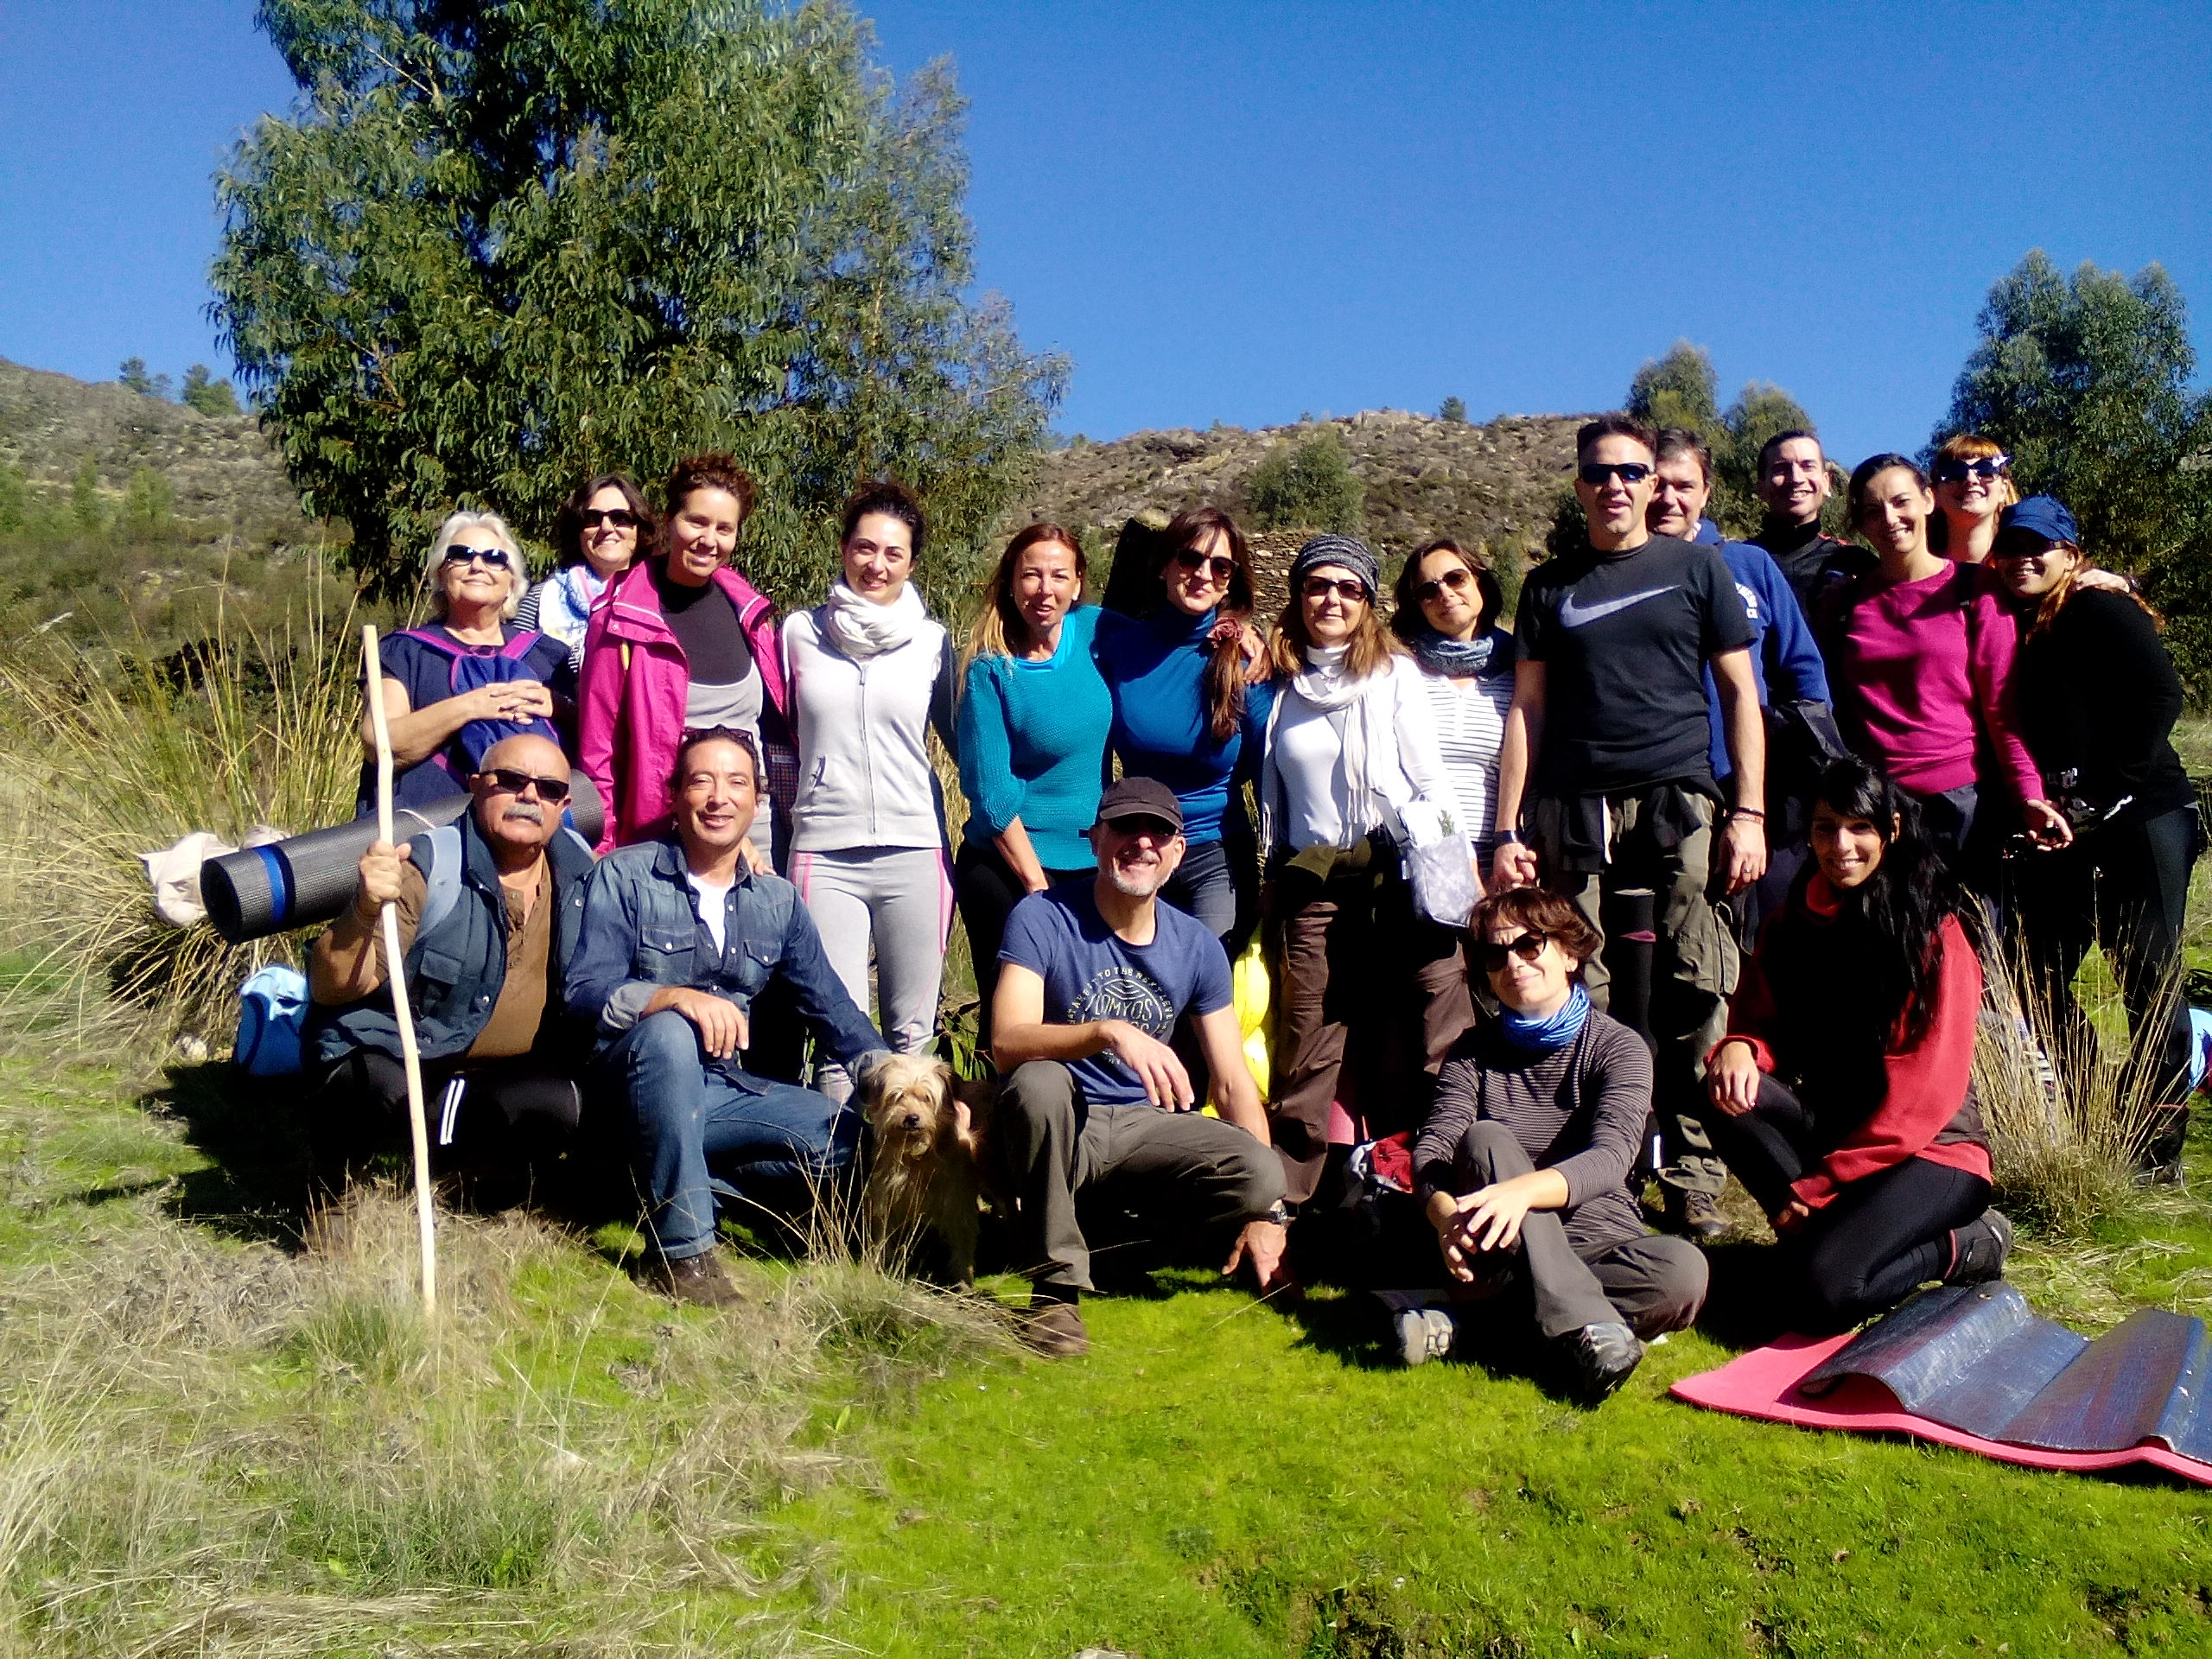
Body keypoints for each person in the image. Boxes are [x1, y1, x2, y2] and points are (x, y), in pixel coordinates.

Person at [1491, 414, 1767, 1241]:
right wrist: (1506, 830)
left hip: (1679, 797)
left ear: (1653, 484)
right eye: (1599, 472)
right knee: (1579, 988)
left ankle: (1695, 1177)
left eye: (1631, 472)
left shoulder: (1699, 569)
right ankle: (1590, 1175)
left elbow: (1741, 695)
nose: (1615, 485)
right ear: (1579, 486)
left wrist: (1748, 812)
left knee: (1695, 983)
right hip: (1572, 806)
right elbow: (1526, 709)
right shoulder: (1549, 586)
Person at [564, 728, 887, 1306]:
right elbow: (585, 993)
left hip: (722, 1091)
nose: (719, 797)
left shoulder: (777, 901)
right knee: (669, 1034)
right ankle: (681, 1256)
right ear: (675, 795)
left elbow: (833, 1010)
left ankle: (683, 1184)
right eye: (702, 781)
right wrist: (670, 998)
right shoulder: (625, 876)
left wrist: (897, 1078)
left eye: (737, 782)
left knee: (853, 1144)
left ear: (757, 800)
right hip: (629, 1088)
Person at [1698, 757, 2012, 1331]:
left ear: (1891, 830)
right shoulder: (1792, 922)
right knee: (1723, 1093)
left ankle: (1967, 1245)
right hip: (1839, 1133)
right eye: (1826, 828)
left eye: (1859, 827)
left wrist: (1823, 1185)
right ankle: (1815, 1242)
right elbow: (1761, 1020)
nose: (1840, 846)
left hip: (1931, 1150)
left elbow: (1924, 1095)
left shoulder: (1935, 930)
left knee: (1826, 1295)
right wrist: (1741, 1045)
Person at [989, 777, 1289, 1357]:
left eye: (1160, 832)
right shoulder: (1042, 916)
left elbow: (1232, 1082)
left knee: (1261, 1173)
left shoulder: (1196, 944)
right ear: (1096, 839)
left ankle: (1116, 1247)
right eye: (1126, 827)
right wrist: (1108, 1031)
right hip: (1061, 1121)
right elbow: (1007, 1041)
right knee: (1038, 1083)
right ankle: (1054, 1294)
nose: (1143, 842)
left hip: (1140, 1127)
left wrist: (1270, 1213)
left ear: (1178, 852)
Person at [1400, 887, 1708, 1400]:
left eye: (1529, 945)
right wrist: (1444, 1216)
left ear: (1569, 954)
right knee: (1485, 1137)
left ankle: (1471, 1329)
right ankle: (1588, 1331)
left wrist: (1521, 1190)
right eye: (1496, 954)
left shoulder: (1618, 1046)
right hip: (1505, 1246)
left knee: (1683, 1272)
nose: (1513, 963)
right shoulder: (1471, 1052)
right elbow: (1434, 1150)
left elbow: (1611, 1157)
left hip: (1599, 1238)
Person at [1992, 496, 2202, 1175]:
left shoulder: (2098, 608)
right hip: (2065, 828)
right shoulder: (2009, 619)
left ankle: (2154, 1148)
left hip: (2144, 819)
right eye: (2011, 546)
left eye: (2039, 547)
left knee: (2148, 979)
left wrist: (2108, 790)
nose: (2023, 559)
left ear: (2071, 555)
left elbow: (2161, 696)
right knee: (2035, 971)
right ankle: (2094, 1114)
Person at [1259, 533, 1459, 1210]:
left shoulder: (1394, 675)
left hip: (1394, 880)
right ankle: (1293, 1201)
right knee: (1307, 1039)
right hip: (1312, 886)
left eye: (1349, 588)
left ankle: (1426, 1183)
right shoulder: (1280, 687)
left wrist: (1451, 865)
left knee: (1417, 1031)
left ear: (1368, 603)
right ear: (1298, 597)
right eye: (1318, 585)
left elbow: (1431, 783)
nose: (1332, 599)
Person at [307, 733, 597, 1193]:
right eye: (511, 780)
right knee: (378, 1087)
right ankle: (336, 1190)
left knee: (557, 1106)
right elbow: (334, 988)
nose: (529, 796)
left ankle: (455, 1180)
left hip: (494, 1078)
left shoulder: (582, 874)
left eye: (549, 789)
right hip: (404, 1058)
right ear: (477, 786)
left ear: (563, 807)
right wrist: (364, 908)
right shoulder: (426, 866)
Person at [781, 482, 958, 1101]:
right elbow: (771, 733)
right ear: (843, 549)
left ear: (911, 563)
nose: (876, 564)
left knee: (913, 1040)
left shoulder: (933, 642)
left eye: (893, 553)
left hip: (915, 850)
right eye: (864, 547)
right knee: (840, 1041)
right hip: (822, 852)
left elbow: (967, 740)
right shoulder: (798, 633)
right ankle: (839, 1165)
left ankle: (915, 1168)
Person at [1819, 454, 2069, 874]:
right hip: (1874, 810)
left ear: (1928, 501)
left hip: (1961, 807)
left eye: (1901, 501)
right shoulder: (1844, 603)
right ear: (1860, 524)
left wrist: (2028, 794)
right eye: (1873, 511)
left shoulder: (1976, 589)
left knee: (1968, 917)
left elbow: (2002, 710)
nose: (1890, 518)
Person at [1649, 428, 1834, 939]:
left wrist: (1797, 770)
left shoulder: (1748, 565)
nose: (1669, 499)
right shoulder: (1618, 571)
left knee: (1762, 937)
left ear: (1706, 492)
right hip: (1657, 787)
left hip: (1748, 788)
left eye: (1684, 485)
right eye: (1658, 484)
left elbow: (1804, 672)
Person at [576, 454, 794, 861]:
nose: (709, 540)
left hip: (755, 834)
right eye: (697, 522)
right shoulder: (620, 620)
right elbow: (597, 750)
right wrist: (602, 847)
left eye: (724, 529)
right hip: (662, 835)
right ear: (669, 519)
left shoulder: (752, 616)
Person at [955, 524, 1115, 1048]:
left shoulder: (1096, 631)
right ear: (1011, 582)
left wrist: (1235, 629)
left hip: (1090, 861)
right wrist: (1038, 891)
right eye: (1031, 576)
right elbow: (992, 795)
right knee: (1016, 1023)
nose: (1045, 590)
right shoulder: (991, 670)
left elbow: (1169, 640)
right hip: (1009, 867)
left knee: (1085, 1007)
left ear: (1078, 583)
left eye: (1058, 576)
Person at [1092, 505, 1274, 952]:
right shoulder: (1116, 643)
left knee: (1206, 978)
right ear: (1164, 566)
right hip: (1133, 847)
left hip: (1215, 852)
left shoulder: (1246, 664)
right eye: (1191, 558)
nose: (1203, 574)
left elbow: (1264, 770)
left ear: (1230, 581)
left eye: (1221, 566)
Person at [359, 510, 572, 813]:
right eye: (461, 555)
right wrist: (472, 706)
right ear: (441, 574)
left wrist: (560, 707)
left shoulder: (549, 655)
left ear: (512, 581)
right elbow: (379, 742)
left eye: (495, 558)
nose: (477, 566)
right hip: (428, 825)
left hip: (532, 825)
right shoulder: (403, 651)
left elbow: (600, 740)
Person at [516, 473, 656, 664]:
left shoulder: (662, 597)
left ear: (639, 528)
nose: (606, 527)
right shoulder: (542, 597)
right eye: (592, 518)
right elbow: (514, 666)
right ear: (577, 531)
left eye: (620, 517)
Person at [1747, 429, 1869, 615]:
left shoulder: (1855, 563)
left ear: (1826, 482)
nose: (1796, 479)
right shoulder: (1737, 562)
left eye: (1807, 466)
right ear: (1761, 488)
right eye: (1781, 469)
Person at [1927, 434, 2017, 563]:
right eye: (1955, 472)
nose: (1971, 480)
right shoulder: (1916, 570)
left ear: (2003, 490)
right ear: (1935, 495)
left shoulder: (2021, 567)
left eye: (1986, 469)